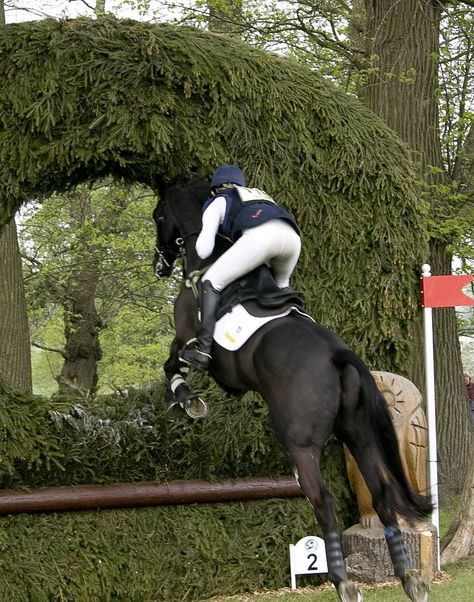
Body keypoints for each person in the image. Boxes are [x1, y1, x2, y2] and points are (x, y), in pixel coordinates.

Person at [181, 164, 301, 370]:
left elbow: (203, 251)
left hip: (261, 238)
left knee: (211, 281)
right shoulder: (258, 195)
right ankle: (302, 328)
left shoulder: (219, 200)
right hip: (292, 239)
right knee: (282, 286)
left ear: (215, 188)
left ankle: (202, 349)